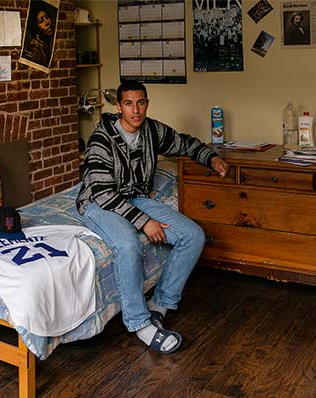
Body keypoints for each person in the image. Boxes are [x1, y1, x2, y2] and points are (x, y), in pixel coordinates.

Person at [76, 80, 229, 354]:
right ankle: (139, 322)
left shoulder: (151, 130)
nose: (136, 110)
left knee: (193, 236)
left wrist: (212, 158)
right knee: (128, 245)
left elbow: (185, 143)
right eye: (128, 104)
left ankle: (159, 304)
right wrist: (143, 221)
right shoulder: (101, 139)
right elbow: (101, 191)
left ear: (147, 103)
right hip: (99, 204)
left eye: (141, 103)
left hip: (136, 198)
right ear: (119, 106)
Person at [23, 1, 55, 66]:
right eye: (41, 21)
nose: (47, 22)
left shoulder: (44, 44)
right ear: (35, 28)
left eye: (47, 17)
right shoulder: (35, 48)